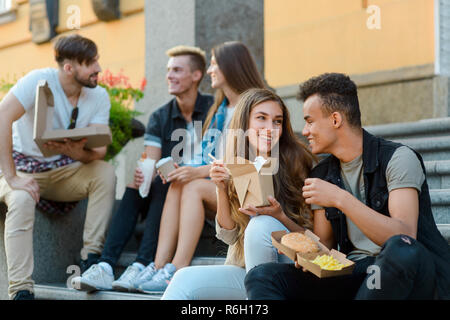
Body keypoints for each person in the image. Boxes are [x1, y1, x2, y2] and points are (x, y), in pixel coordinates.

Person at [244, 73, 450, 300]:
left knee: (401, 249)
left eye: (310, 121)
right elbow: (322, 246)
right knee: (261, 276)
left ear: (335, 120)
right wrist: (282, 218)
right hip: (356, 273)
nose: (305, 131)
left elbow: (404, 234)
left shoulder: (398, 158)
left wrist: (340, 198)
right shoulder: (322, 174)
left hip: (408, 274)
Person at [71, 45, 213, 292]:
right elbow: (153, 159)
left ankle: (142, 263)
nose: (169, 75)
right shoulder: (160, 116)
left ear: (196, 75)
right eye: (169, 70)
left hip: (201, 188)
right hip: (167, 191)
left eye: (177, 70)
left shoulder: (214, 109)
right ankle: (105, 265)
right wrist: (144, 173)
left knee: (164, 182)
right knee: (138, 184)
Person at [137, 41, 267, 294]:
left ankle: (177, 266)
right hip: (221, 187)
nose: (210, 70)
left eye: (215, 64)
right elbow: (208, 156)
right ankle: (158, 265)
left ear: (232, 67)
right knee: (180, 182)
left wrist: (199, 172)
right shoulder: (219, 110)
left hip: (247, 191)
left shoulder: (254, 108)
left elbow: (251, 164)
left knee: (194, 186)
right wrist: (185, 169)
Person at [161, 88, 316, 299]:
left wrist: (279, 216)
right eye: (261, 118)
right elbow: (229, 234)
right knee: (183, 280)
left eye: (277, 121)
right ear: (244, 123)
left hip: (288, 270)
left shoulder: (296, 160)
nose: (270, 128)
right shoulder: (236, 161)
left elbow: (315, 239)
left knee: (261, 224)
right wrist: (221, 188)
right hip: (245, 269)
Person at [0, 35, 116, 300]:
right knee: (21, 197)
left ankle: (91, 259)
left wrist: (78, 152)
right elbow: (2, 116)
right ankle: (20, 290)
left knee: (105, 172)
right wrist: (12, 177)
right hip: (21, 169)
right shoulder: (38, 80)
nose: (98, 68)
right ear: (69, 67)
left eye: (97, 60)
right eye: (90, 63)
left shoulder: (99, 96)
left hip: (62, 170)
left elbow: (98, 151)